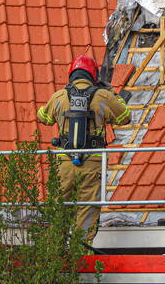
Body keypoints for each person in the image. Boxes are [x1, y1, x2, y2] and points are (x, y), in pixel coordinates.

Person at [37, 55, 131, 244]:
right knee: (87, 207)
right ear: (94, 75)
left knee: (59, 206)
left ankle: (55, 250)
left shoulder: (59, 96)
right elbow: (125, 117)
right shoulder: (103, 96)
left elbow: (43, 118)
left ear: (72, 74)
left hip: (64, 162)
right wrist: (110, 92)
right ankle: (81, 251)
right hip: (92, 162)